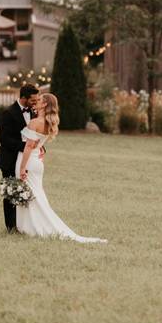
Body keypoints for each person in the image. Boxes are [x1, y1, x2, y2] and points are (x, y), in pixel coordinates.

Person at [15, 93, 106, 244]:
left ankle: (34, 226)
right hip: (38, 163)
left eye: (39, 101)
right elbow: (38, 144)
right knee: (36, 194)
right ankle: (29, 225)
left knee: (31, 194)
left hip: (29, 161)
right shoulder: (45, 123)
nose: (36, 102)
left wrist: (23, 167)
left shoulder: (35, 122)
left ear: (44, 105)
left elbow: (29, 146)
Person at [0, 84, 39, 233]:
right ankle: (11, 226)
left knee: (25, 192)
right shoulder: (8, 113)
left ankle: (23, 224)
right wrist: (26, 146)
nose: (35, 103)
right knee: (11, 193)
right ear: (23, 98)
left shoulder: (34, 113)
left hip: (26, 160)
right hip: (9, 159)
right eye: (33, 100)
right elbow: (4, 140)